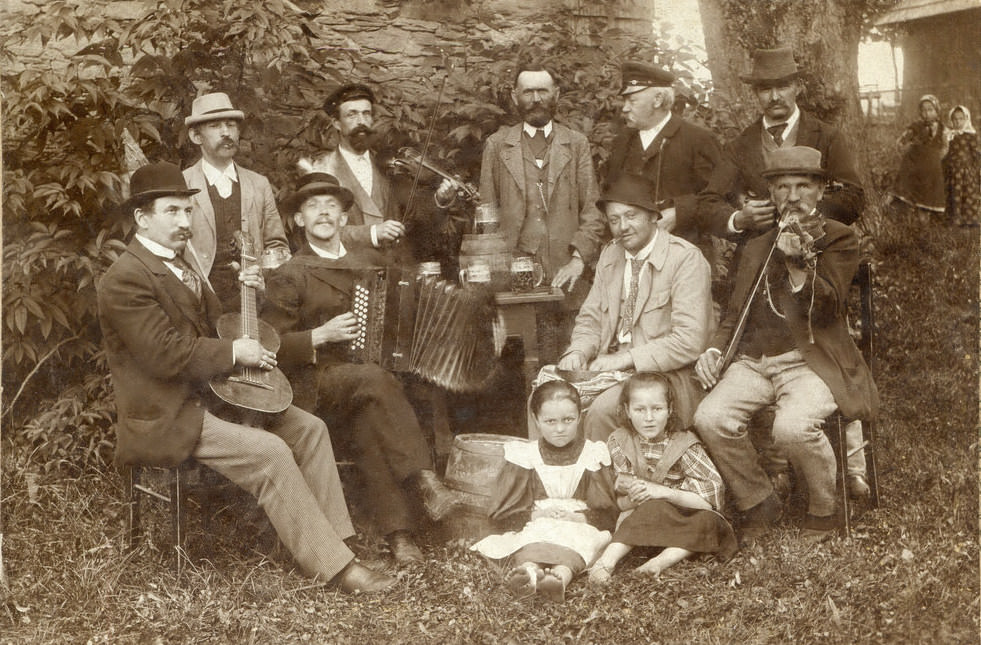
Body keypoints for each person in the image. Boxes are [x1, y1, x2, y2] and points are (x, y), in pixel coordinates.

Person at [98, 161, 393, 592]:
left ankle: (335, 542)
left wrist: (247, 290)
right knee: (270, 451)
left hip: (217, 397)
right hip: (167, 415)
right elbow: (164, 355)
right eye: (173, 212)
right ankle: (336, 570)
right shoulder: (125, 278)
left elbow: (219, 325)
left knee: (310, 428)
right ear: (143, 218)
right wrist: (238, 351)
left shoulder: (180, 262)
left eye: (187, 211)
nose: (185, 222)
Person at [259, 172, 462, 565]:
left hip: (370, 384)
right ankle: (424, 480)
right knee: (374, 381)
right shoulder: (289, 273)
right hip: (314, 385)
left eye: (331, 206)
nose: (323, 212)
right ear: (299, 220)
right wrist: (318, 335)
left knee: (374, 407)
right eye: (313, 206)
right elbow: (270, 345)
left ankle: (400, 537)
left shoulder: (370, 263)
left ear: (343, 218)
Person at [692, 147, 878, 543]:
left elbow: (828, 308)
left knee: (792, 427)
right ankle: (759, 501)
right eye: (781, 188)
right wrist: (714, 350)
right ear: (771, 194)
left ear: (820, 189)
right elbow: (734, 312)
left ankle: (826, 507)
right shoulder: (756, 243)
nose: (792, 197)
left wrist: (798, 265)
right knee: (710, 417)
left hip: (811, 360)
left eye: (802, 186)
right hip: (756, 361)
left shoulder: (839, 238)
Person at [554, 173, 713, 441]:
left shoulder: (685, 258)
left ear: (653, 216)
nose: (622, 227)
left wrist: (624, 359)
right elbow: (591, 318)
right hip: (610, 371)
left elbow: (690, 340)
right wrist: (579, 350)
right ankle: (553, 478)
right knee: (545, 398)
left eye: (631, 216)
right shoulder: (610, 254)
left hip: (665, 377)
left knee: (603, 411)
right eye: (614, 220)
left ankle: (603, 482)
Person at [470, 380, 618, 602]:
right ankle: (528, 574)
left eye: (568, 420)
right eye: (550, 421)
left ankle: (559, 579)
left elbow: (607, 510)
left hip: (579, 522)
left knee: (580, 541)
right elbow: (506, 512)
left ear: (579, 417)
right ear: (536, 420)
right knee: (533, 537)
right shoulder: (525, 456)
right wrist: (536, 515)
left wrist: (579, 517)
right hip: (540, 518)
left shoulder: (593, 454)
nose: (560, 429)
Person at [698, 47, 865, 240]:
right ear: (755, 93)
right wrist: (739, 219)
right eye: (766, 88)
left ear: (798, 87)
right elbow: (707, 203)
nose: (775, 97)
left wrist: (807, 213)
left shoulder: (827, 137)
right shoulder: (739, 146)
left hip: (819, 248)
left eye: (783, 86)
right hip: (757, 254)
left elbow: (854, 197)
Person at [478, 63, 606, 311]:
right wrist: (497, 271)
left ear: (556, 94)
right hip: (513, 279)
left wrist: (578, 260)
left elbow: (593, 211)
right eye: (528, 92)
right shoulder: (497, 145)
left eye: (543, 91)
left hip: (567, 277)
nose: (536, 99)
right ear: (515, 97)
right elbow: (487, 215)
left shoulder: (577, 144)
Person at [587, 373, 736, 584]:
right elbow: (620, 502)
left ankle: (657, 563)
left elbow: (709, 501)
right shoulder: (620, 442)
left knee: (708, 521)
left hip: (683, 517)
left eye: (657, 409)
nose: (649, 418)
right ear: (627, 411)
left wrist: (666, 493)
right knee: (650, 508)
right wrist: (636, 498)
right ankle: (606, 563)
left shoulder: (685, 445)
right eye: (639, 410)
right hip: (642, 519)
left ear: (670, 410)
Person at [301, 83, 459, 267]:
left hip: (396, 272)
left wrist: (440, 200)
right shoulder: (322, 169)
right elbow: (317, 229)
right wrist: (372, 233)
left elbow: (417, 221)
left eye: (366, 114)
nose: (361, 121)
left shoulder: (389, 165)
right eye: (352, 114)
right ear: (337, 123)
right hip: (346, 273)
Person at [182, 92, 291, 309]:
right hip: (198, 305)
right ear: (196, 136)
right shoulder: (182, 184)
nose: (226, 133)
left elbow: (277, 245)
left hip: (251, 303)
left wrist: (262, 279)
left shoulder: (258, 184)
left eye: (231, 125)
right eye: (215, 126)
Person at [604, 61, 722, 257]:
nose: (624, 109)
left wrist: (681, 212)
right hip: (633, 257)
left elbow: (720, 197)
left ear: (658, 99)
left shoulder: (698, 139)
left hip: (686, 255)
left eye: (632, 101)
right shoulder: (622, 143)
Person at [890, 95, 948, 218]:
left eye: (930, 110)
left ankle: (924, 228)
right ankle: (908, 223)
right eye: (924, 110)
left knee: (926, 199)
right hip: (915, 167)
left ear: (937, 111)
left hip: (931, 170)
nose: (927, 113)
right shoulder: (916, 126)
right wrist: (906, 148)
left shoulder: (943, 129)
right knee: (910, 195)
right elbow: (902, 140)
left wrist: (936, 159)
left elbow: (945, 147)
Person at [943, 105, 980, 226]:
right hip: (953, 171)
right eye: (955, 119)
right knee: (954, 194)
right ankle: (955, 219)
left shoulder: (971, 136)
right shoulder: (949, 135)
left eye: (961, 119)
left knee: (968, 194)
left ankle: (970, 220)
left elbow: (976, 153)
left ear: (966, 119)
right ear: (951, 120)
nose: (958, 122)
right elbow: (945, 153)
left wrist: (976, 169)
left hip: (967, 171)